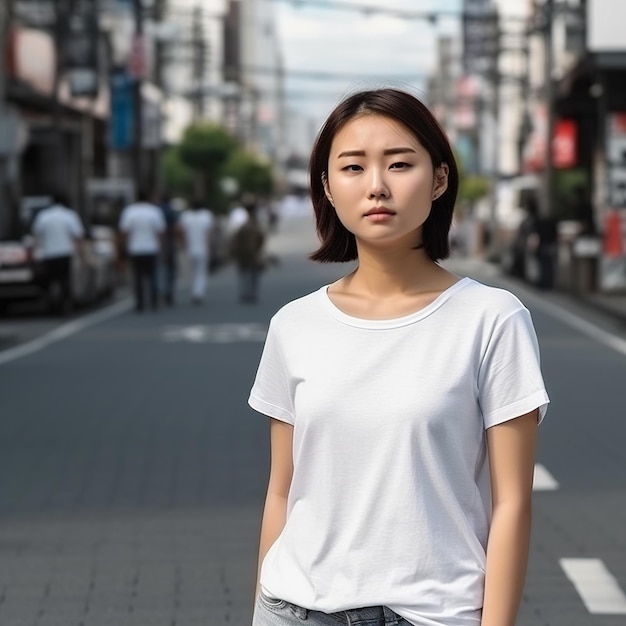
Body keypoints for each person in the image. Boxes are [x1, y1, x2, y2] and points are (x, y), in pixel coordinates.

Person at [248, 89, 550, 626]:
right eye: (353, 167)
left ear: (439, 179)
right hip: (293, 609)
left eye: (400, 164)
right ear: (328, 188)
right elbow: (280, 491)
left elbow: (512, 506)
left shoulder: (491, 319)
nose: (376, 186)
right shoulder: (294, 325)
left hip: (432, 614)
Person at [31, 192, 85, 315]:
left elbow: (36, 235)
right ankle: (64, 306)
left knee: (49, 281)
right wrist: (82, 254)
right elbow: (78, 236)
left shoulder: (43, 216)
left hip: (48, 254)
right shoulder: (69, 215)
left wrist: (35, 252)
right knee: (64, 281)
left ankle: (52, 306)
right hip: (64, 253)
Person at [118, 189, 165, 312]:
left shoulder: (130, 211)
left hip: (135, 248)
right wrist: (161, 246)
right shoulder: (154, 211)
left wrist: (122, 247)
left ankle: (140, 303)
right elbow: (160, 231)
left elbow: (124, 231)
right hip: (151, 248)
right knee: (152, 275)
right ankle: (154, 301)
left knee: (137, 277)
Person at [229, 193, 265, 303]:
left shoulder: (239, 216)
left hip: (245, 249)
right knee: (252, 272)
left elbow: (234, 233)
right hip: (250, 249)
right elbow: (261, 235)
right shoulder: (254, 219)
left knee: (245, 272)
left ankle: (246, 292)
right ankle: (251, 292)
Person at [179, 199, 214, 305]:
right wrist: (210, 247)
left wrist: (182, 245)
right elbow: (209, 234)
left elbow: (181, 232)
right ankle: (198, 292)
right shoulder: (206, 216)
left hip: (189, 248)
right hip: (202, 248)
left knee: (192, 272)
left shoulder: (186, 216)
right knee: (201, 272)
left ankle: (194, 290)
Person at [159, 192, 180, 306]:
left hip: (159, 244)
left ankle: (161, 292)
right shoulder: (171, 211)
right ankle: (169, 292)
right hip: (169, 242)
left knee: (161, 268)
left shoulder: (157, 210)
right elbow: (176, 228)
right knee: (171, 269)